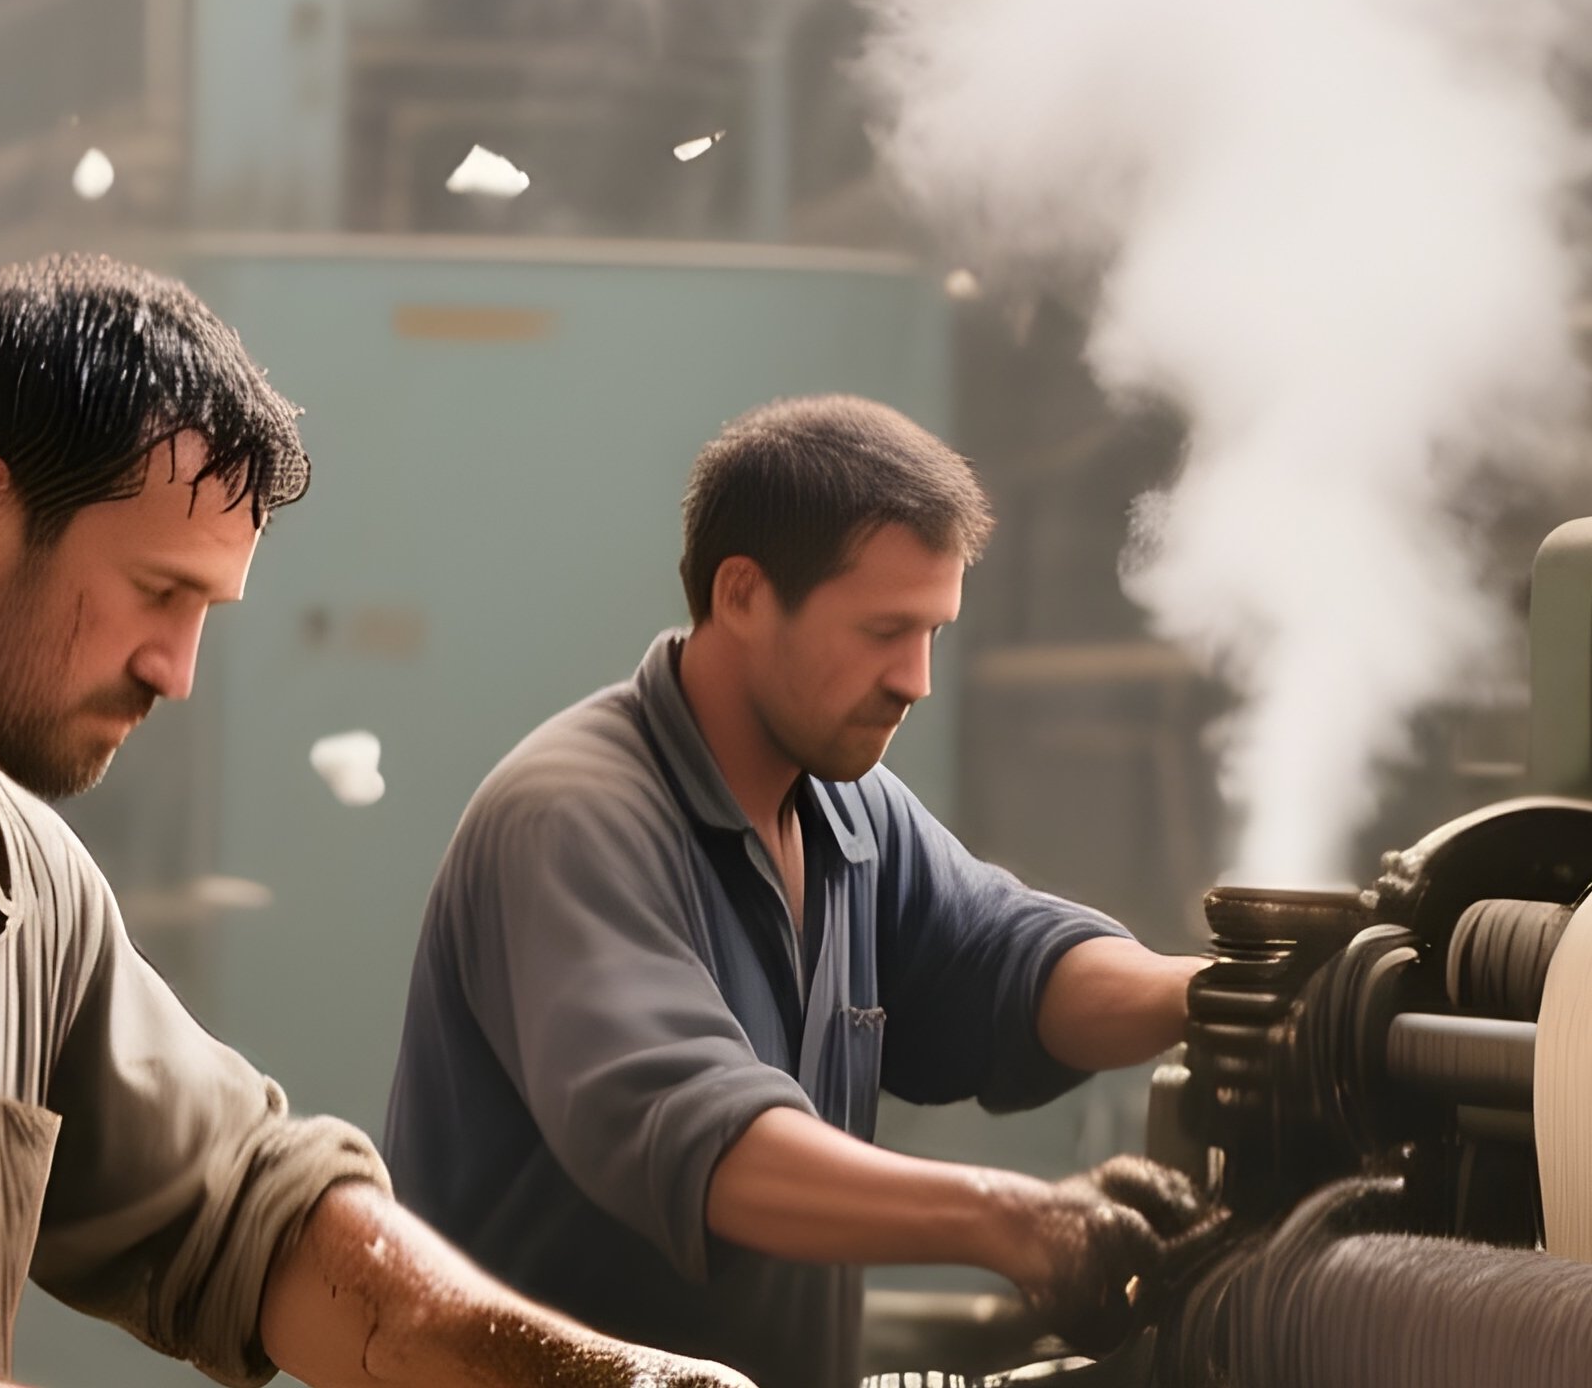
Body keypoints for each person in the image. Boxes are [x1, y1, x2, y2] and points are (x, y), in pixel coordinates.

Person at [0, 255, 751, 1388]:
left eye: (206, 612)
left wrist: (609, 1380)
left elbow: (256, 1223)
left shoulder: (30, 883)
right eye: (157, 592)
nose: (176, 672)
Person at [384, 394, 1219, 1388]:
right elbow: (707, 1145)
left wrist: (1213, 996)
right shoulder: (573, 821)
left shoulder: (850, 811)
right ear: (741, 594)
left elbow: (1008, 963)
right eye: (881, 631)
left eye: (932, 633)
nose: (915, 680)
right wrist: (1015, 1221)